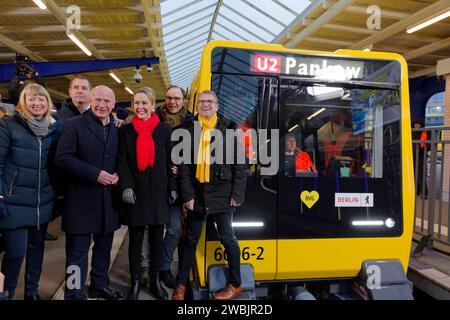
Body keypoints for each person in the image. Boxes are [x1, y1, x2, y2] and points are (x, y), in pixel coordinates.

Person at [172, 90, 247, 301]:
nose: (205, 105)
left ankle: (236, 284)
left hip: (223, 194)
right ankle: (180, 285)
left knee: (228, 239)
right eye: (202, 102)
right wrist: (188, 196)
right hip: (197, 195)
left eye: (209, 102)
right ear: (197, 106)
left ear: (217, 106)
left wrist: (237, 194)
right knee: (191, 241)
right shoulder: (189, 130)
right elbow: (184, 167)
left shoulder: (231, 128)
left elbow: (240, 165)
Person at [55, 85, 122, 300]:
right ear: (91, 100)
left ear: (114, 104)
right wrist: (96, 174)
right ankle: (74, 292)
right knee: (77, 254)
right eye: (98, 100)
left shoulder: (116, 128)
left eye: (107, 101)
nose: (102, 105)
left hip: (108, 201)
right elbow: (63, 158)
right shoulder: (73, 125)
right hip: (81, 199)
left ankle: (99, 285)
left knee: (103, 250)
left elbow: (120, 157)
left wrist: (119, 174)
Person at [0, 83, 63, 300]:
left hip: (42, 202)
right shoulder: (8, 125)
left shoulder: (55, 128)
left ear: (48, 103)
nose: (37, 103)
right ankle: (5, 293)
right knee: (15, 253)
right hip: (13, 201)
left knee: (36, 251)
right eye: (31, 99)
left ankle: (31, 292)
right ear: (23, 103)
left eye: (41, 99)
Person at [118, 87, 175, 300]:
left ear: (153, 106)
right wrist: (127, 186)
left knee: (156, 239)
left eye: (145, 103)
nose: (140, 107)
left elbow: (171, 163)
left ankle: (155, 281)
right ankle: (135, 281)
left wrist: (173, 188)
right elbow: (122, 161)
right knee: (136, 239)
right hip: (136, 193)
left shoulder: (164, 131)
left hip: (159, 193)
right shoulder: (125, 131)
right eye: (137, 103)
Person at [140, 85, 194, 288]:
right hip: (154, 182)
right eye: (169, 98)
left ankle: (163, 266)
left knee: (174, 229)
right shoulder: (153, 120)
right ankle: (145, 266)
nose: (172, 102)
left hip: (176, 185)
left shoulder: (191, 122)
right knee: (149, 226)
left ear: (184, 100)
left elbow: (197, 153)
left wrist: (183, 170)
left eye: (177, 98)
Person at [412, 118, 428, 198]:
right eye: (415, 124)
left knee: (420, 174)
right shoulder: (411, 132)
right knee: (413, 174)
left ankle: (424, 193)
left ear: (421, 125)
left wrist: (421, 149)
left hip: (421, 156)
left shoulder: (424, 132)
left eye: (418, 124)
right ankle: (417, 191)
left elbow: (427, 145)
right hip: (412, 156)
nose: (416, 125)